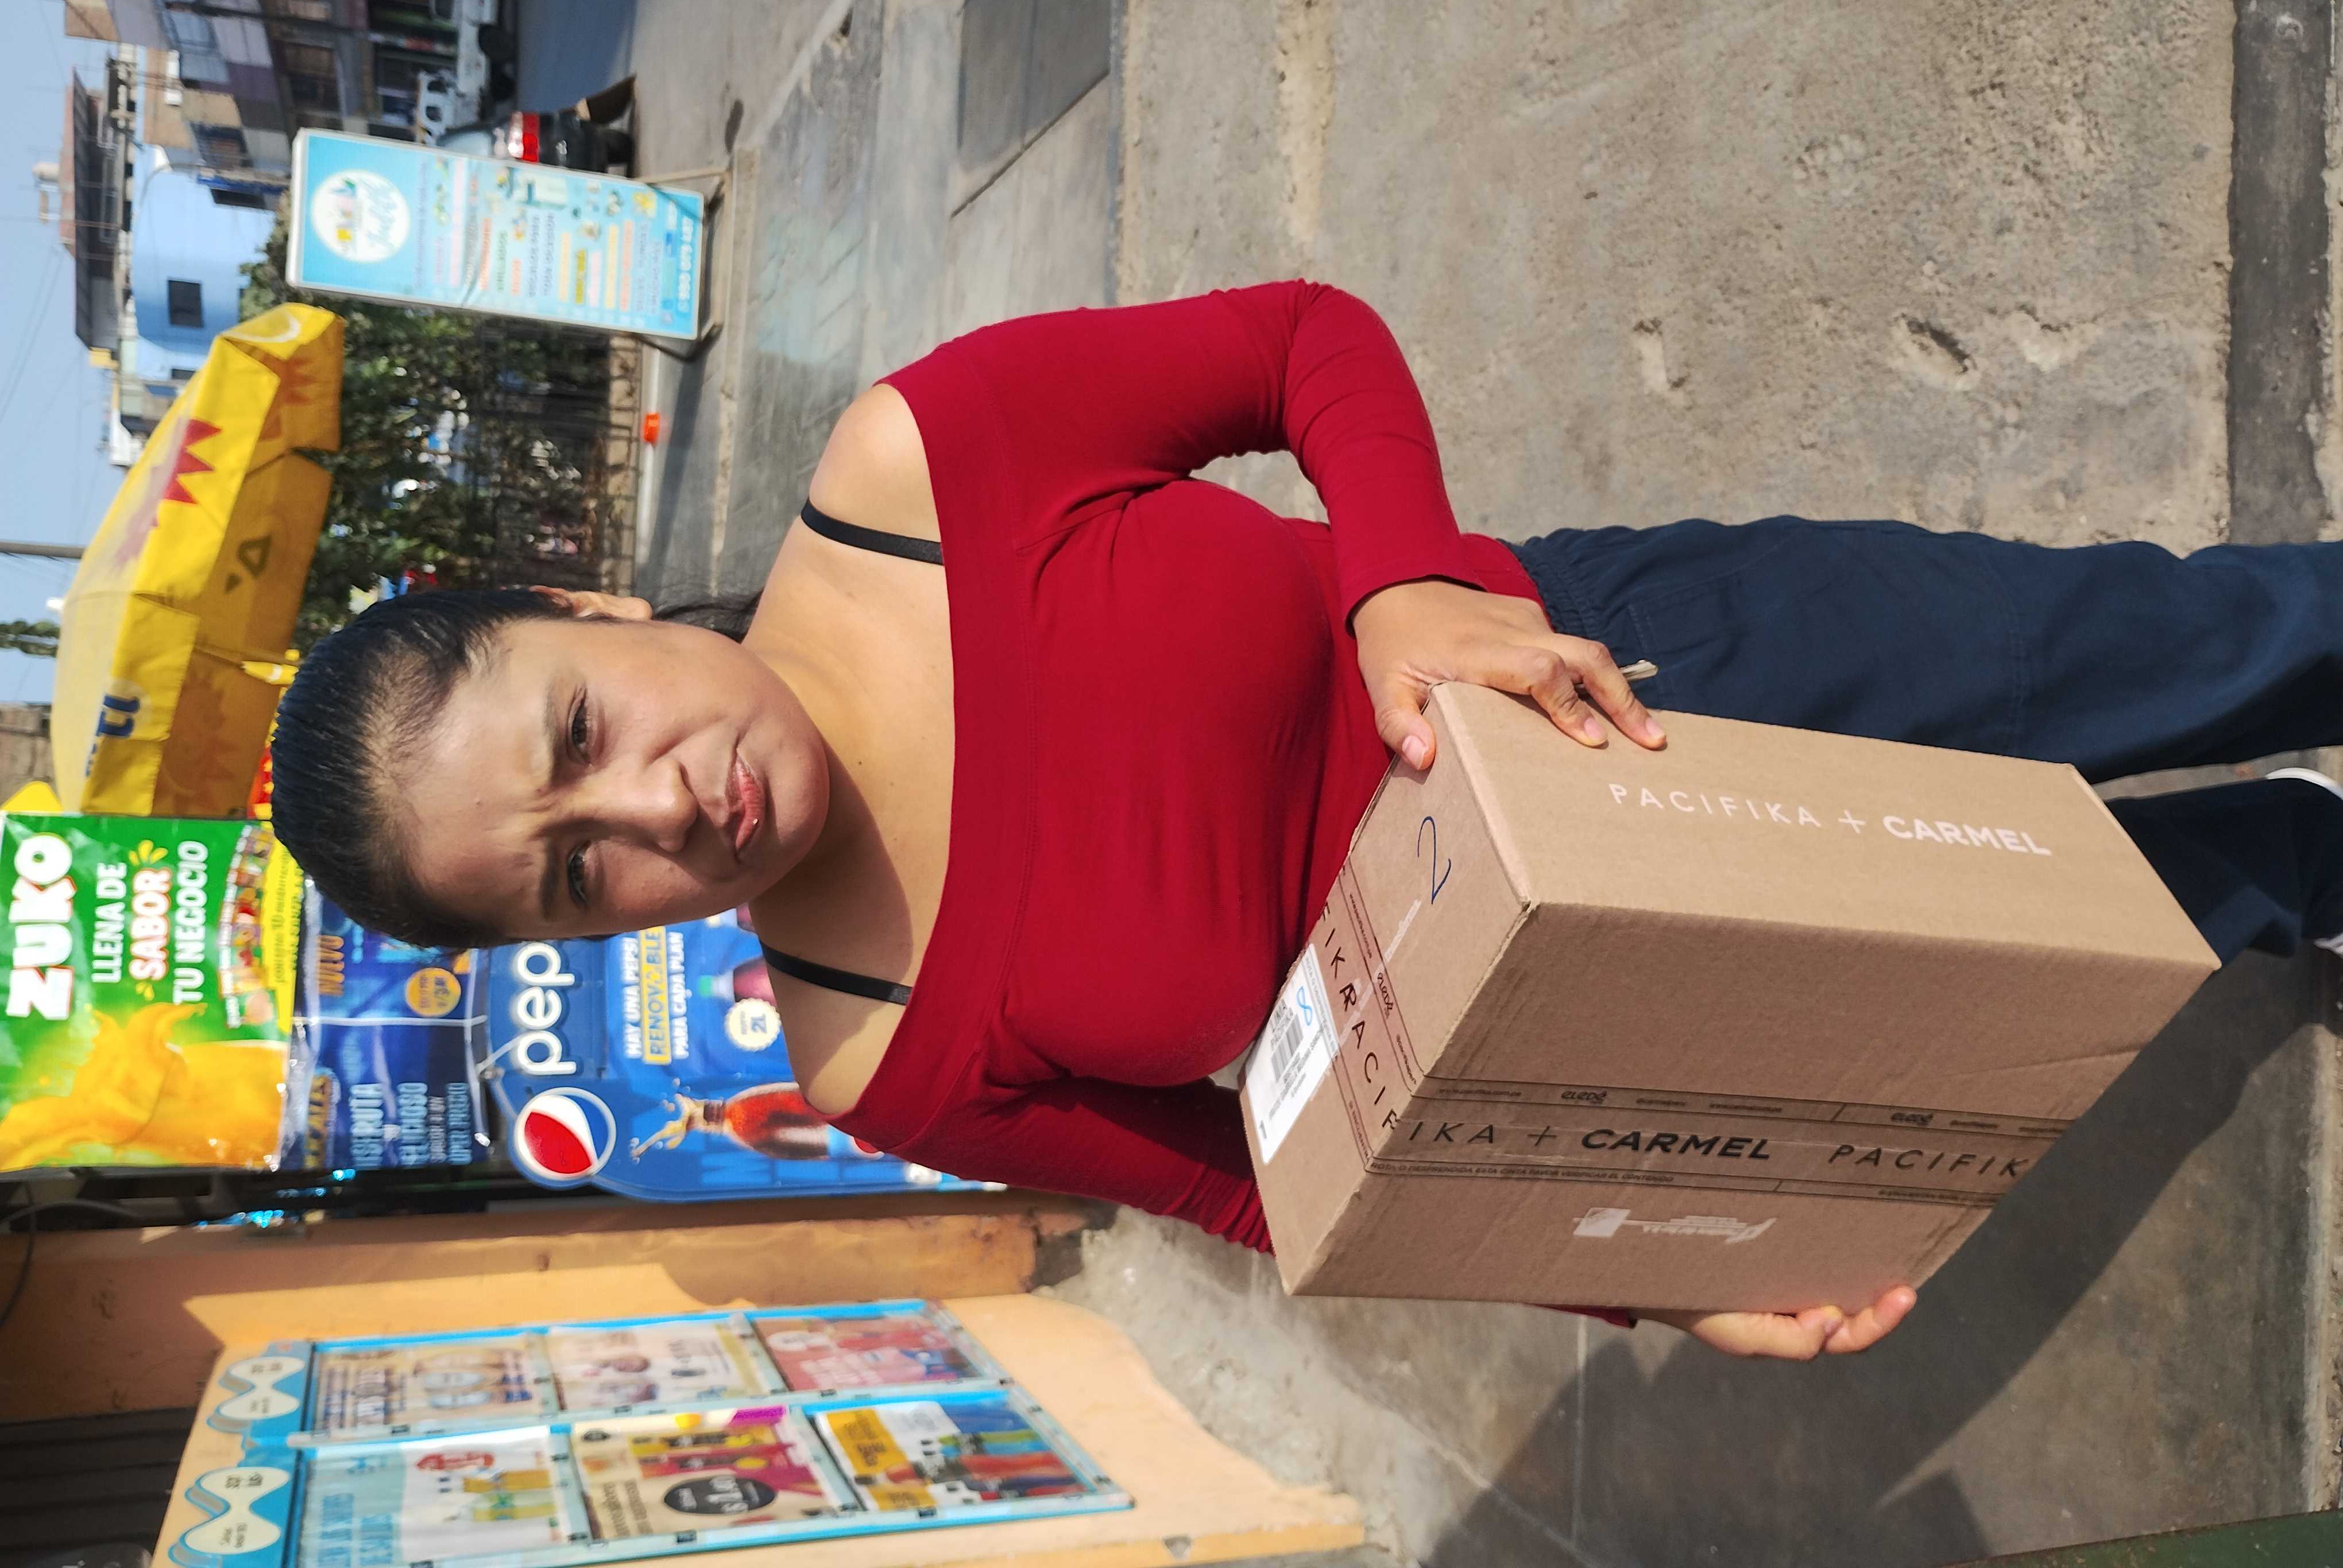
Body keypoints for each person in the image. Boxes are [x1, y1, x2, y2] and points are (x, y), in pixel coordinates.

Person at [268, 282, 2343, 1361]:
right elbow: (1291, 1190)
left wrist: (1400, 579)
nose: (659, 806)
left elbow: (1296, 344)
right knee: (2160, 912)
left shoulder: (915, 469)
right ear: (582, 941)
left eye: (584, 729)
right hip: (1639, 994)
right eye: (576, 873)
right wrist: (1647, 1277)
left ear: (589, 612)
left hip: (1640, 663)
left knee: (2176, 650)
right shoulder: (875, 1052)